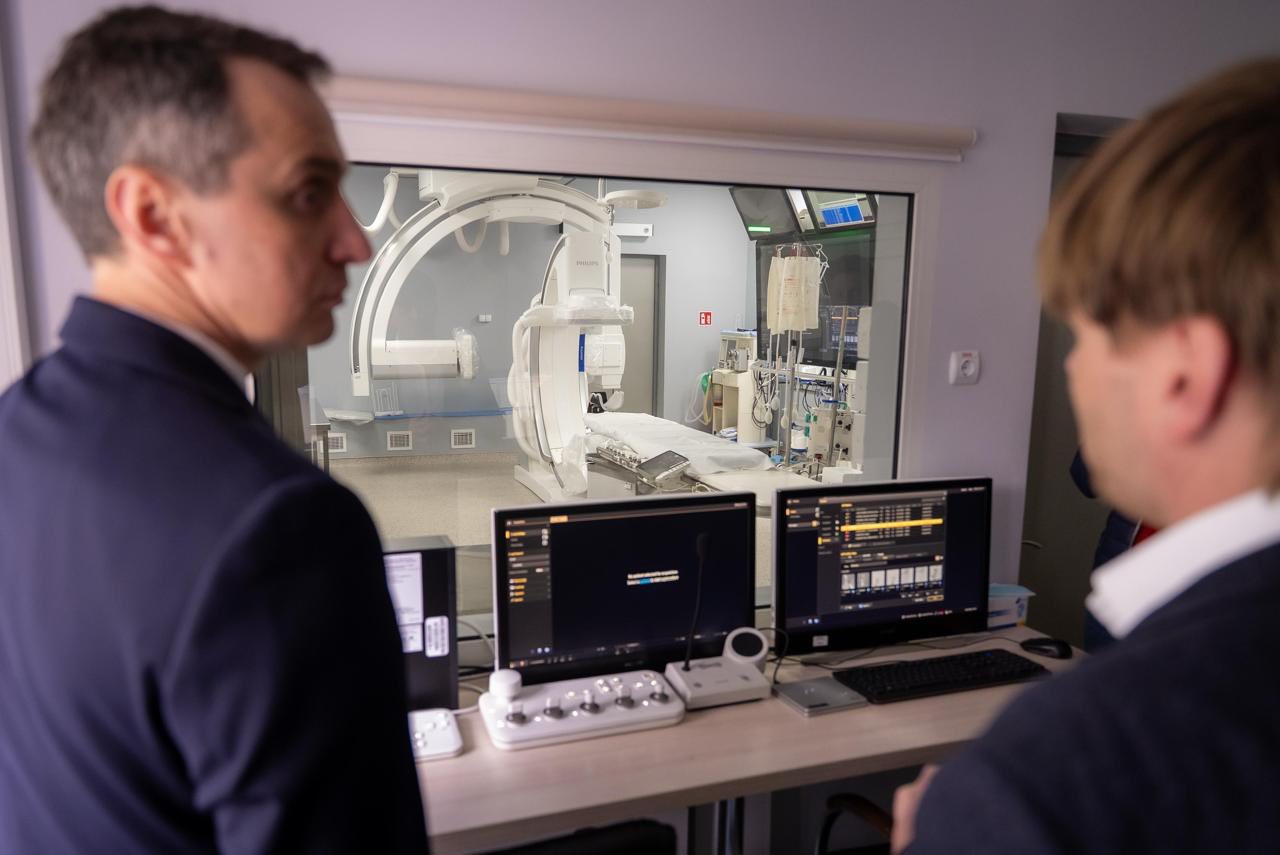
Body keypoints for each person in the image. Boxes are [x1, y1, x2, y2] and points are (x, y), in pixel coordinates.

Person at [0, 7, 429, 853]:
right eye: (309, 193)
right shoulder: (278, 526)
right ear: (153, 215)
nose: (355, 241)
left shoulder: (19, 431)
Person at [892, 58, 1280, 854]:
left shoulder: (1056, 777)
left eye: (1090, 335)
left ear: (1184, 376)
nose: (1074, 370)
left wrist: (948, 830)